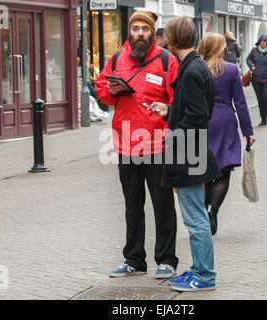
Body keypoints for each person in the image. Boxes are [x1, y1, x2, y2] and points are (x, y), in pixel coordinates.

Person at [95, 10, 180, 279]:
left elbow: (178, 100)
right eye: (136, 29)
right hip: (125, 145)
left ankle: (166, 260)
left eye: (145, 29)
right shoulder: (117, 58)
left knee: (162, 204)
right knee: (132, 204)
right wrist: (111, 91)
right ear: (129, 32)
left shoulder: (166, 61)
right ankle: (134, 259)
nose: (140, 34)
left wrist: (167, 108)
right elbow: (101, 92)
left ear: (152, 33)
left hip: (156, 145)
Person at [150, 16, 221, 291]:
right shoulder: (195, 66)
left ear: (172, 38)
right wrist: (169, 111)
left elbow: (197, 117)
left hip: (188, 153)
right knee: (196, 216)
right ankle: (199, 269)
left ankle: (204, 276)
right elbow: (195, 112)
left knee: (195, 218)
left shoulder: (191, 71)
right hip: (192, 150)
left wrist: (172, 132)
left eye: (166, 35)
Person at [197, 32, 255, 235]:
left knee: (204, 169)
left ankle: (204, 212)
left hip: (202, 119)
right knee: (223, 169)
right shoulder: (231, 69)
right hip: (225, 119)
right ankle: (213, 209)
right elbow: (240, 103)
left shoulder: (196, 68)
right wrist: (248, 131)